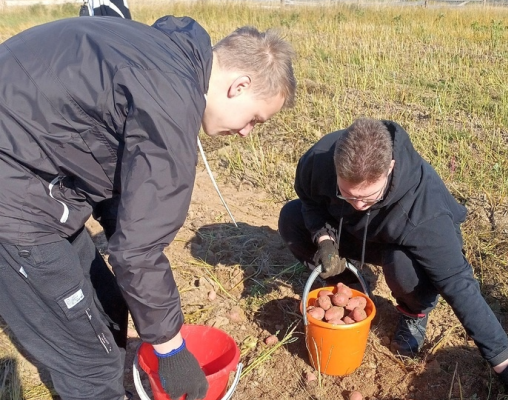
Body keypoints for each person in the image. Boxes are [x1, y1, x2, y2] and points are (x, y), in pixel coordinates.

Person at [0, 15, 295, 400]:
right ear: (240, 86)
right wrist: (171, 351)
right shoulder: (171, 102)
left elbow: (112, 161)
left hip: (36, 170)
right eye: (255, 119)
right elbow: (136, 253)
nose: (246, 132)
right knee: (91, 365)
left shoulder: (166, 58)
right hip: (17, 196)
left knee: (107, 303)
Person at [278, 118, 508, 399]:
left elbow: (457, 283)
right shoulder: (318, 159)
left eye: (368, 197)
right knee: (291, 219)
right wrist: (324, 240)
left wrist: (506, 361)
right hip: (353, 232)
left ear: (389, 168)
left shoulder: (425, 209)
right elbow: (310, 203)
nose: (358, 205)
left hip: (404, 240)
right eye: (347, 195)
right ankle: (348, 284)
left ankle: (414, 313)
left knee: (403, 268)